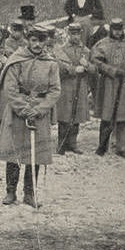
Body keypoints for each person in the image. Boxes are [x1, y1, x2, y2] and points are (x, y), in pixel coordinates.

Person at [0, 24, 61, 207]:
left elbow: (55, 90)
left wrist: (39, 109)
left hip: (40, 112)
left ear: (46, 41)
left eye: (42, 41)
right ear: (28, 40)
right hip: (18, 112)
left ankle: (29, 194)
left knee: (36, 152)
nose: (38, 45)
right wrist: (24, 110)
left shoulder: (51, 63)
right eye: (34, 40)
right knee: (14, 151)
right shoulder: (17, 60)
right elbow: (10, 89)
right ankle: (10, 192)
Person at [90, 18, 125, 157]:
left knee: (123, 116)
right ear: (111, 30)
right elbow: (95, 60)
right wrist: (111, 70)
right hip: (109, 83)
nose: (117, 33)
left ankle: (121, 148)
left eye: (119, 30)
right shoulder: (102, 44)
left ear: (122, 30)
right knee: (107, 115)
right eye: (115, 30)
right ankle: (102, 146)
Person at [52, 22, 91, 154]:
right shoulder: (62, 50)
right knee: (64, 116)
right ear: (69, 34)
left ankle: (73, 144)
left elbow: (95, 69)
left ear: (81, 34)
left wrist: (86, 66)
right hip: (66, 87)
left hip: (80, 87)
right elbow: (58, 67)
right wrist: (75, 69)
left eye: (78, 34)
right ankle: (61, 144)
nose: (75, 36)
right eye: (73, 33)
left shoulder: (86, 51)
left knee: (76, 118)